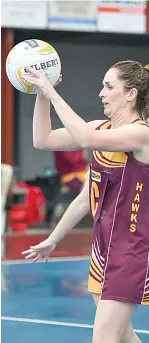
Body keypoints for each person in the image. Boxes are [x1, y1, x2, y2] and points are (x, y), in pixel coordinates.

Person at [22, 60, 149, 343]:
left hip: (132, 248)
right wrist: (42, 96)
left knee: (104, 337)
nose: (101, 93)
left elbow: (84, 138)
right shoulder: (100, 129)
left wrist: (53, 93)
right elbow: (42, 140)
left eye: (108, 86)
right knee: (124, 337)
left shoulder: (141, 134)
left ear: (131, 94)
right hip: (102, 247)